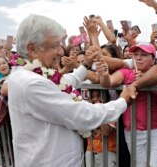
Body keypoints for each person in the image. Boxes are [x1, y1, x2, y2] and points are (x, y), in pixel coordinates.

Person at [7, 14, 132, 167]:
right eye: (54, 46)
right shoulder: (32, 83)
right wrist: (123, 101)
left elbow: (62, 83)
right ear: (32, 49)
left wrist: (85, 65)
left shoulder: (28, 74)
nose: (61, 52)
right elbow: (83, 115)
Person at [97, 44, 157, 167]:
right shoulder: (126, 73)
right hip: (132, 130)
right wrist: (105, 75)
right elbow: (108, 83)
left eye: (144, 55)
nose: (138, 58)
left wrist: (148, 80)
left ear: (154, 60)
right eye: (135, 55)